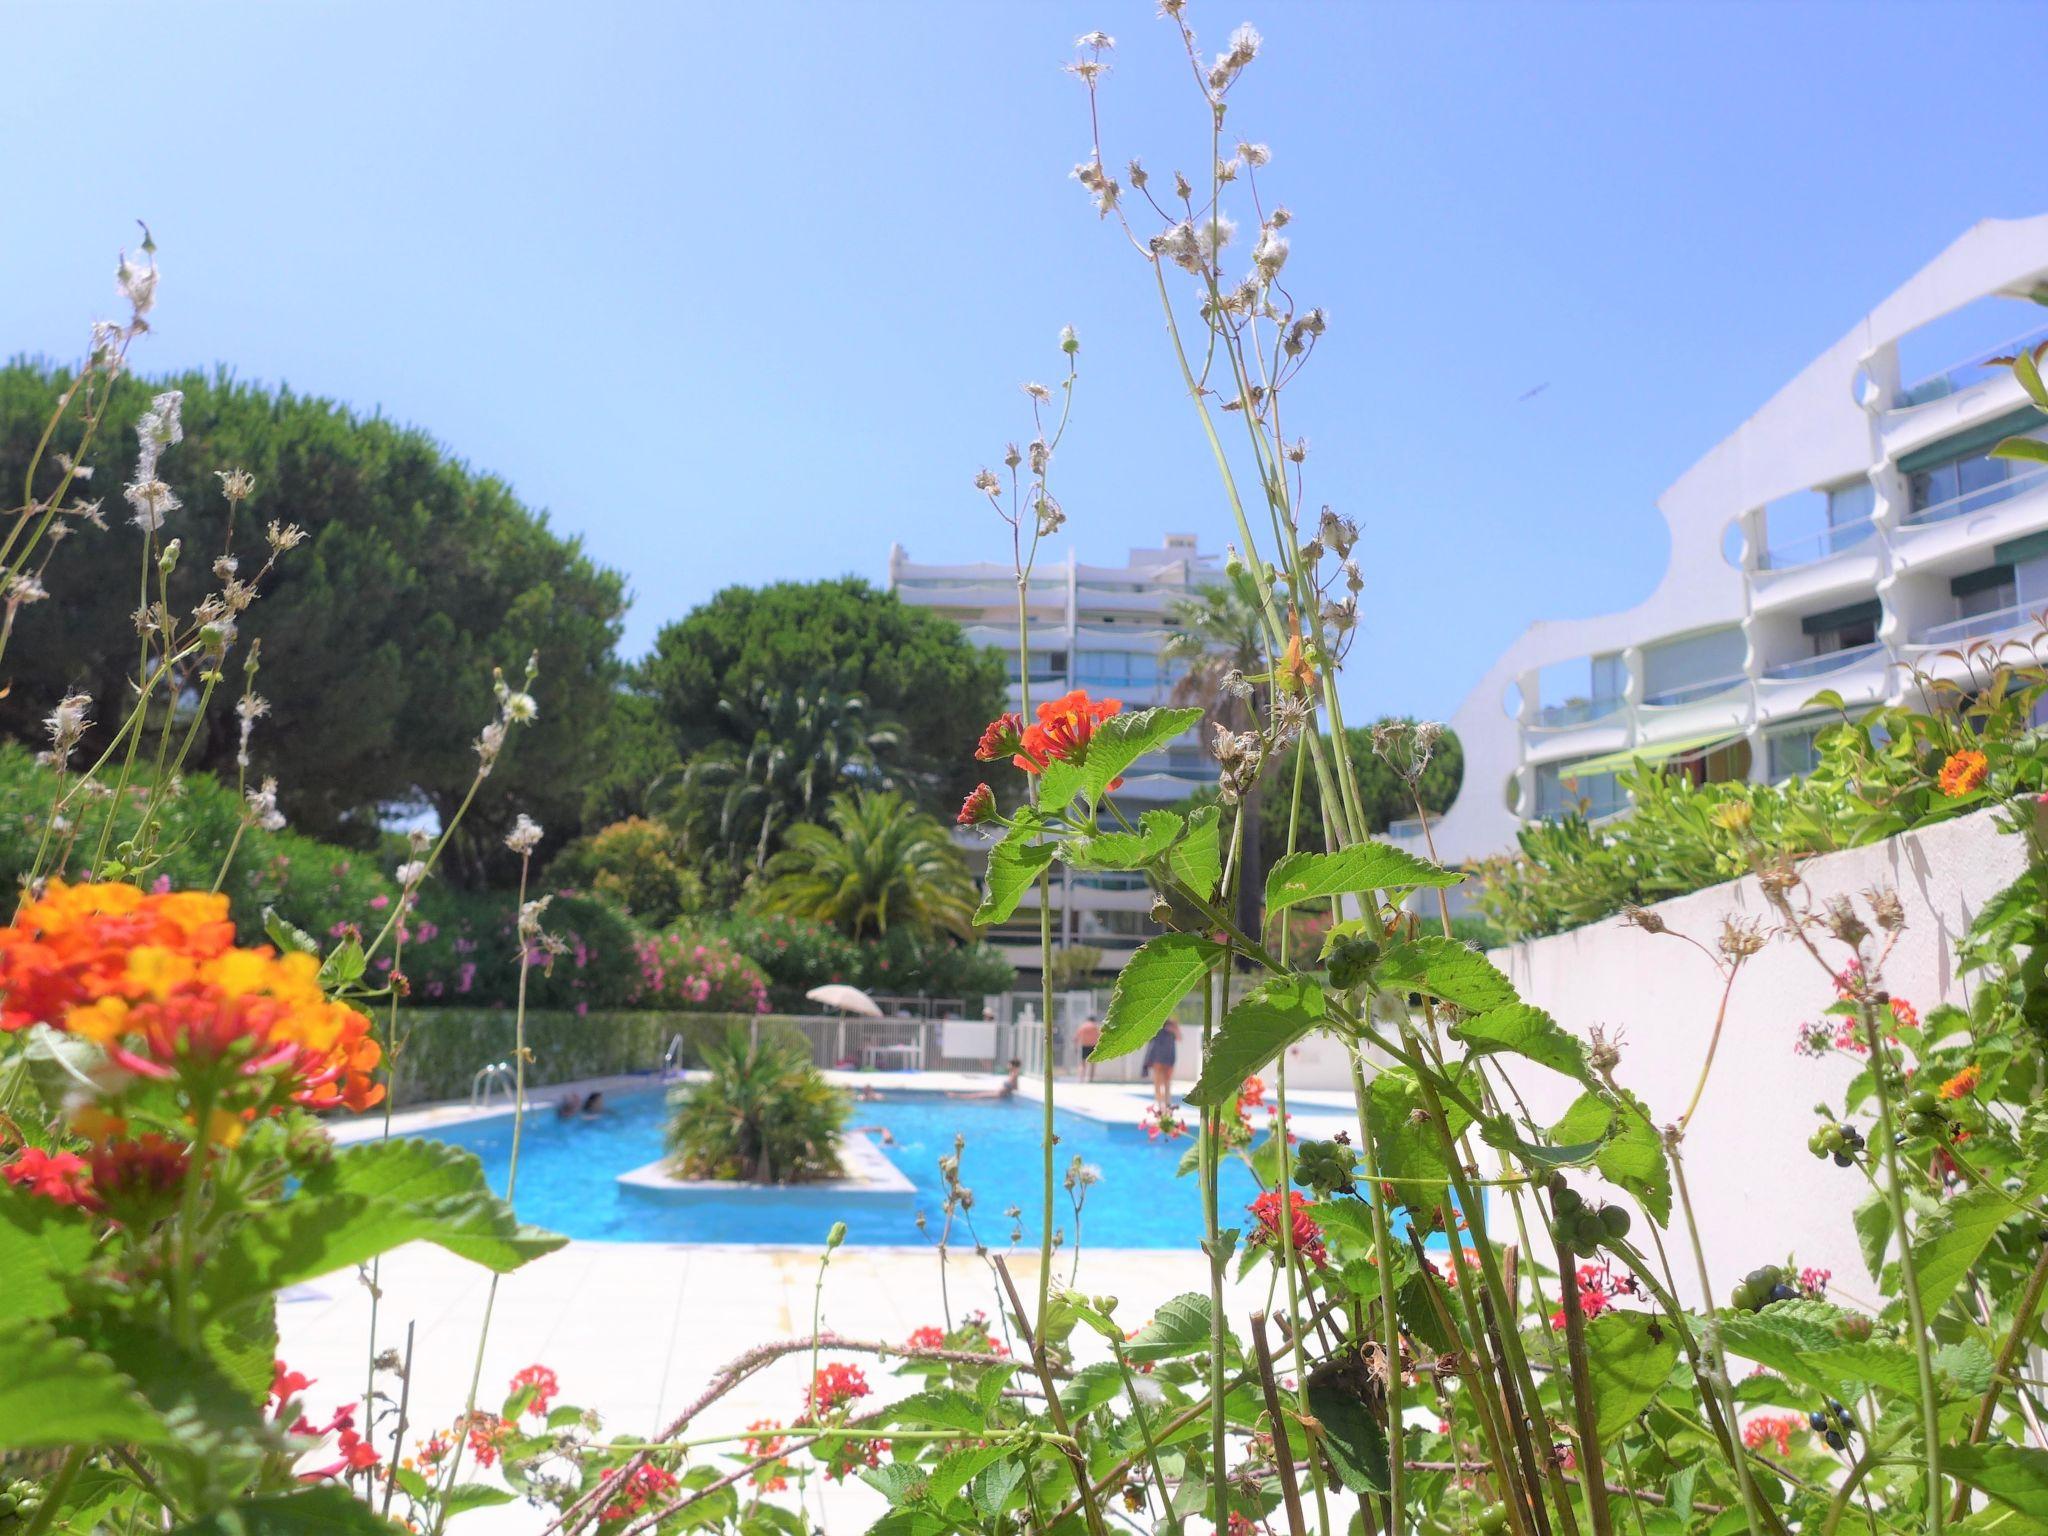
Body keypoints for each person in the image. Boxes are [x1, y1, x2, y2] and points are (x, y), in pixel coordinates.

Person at [1141, 1022, 1179, 1114]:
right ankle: (1159, 1103)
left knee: (1167, 1081)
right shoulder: (1156, 1022)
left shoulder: (1171, 1024)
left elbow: (1178, 1037)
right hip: (1158, 1056)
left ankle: (1166, 1103)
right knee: (1158, 1081)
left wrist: (1174, 1029)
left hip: (1168, 1056)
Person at [951, 1059, 1023, 1101]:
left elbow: (1013, 1086)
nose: (1007, 1066)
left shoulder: (1014, 1074)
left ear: (1013, 1066)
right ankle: (957, 1095)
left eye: (1009, 1064)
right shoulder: (1012, 1074)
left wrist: (1007, 1091)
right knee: (978, 1094)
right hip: (999, 1092)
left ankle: (957, 1096)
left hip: (999, 1094)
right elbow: (1015, 1087)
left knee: (977, 1095)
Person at [1075, 1015, 1101, 1082]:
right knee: (1093, 1063)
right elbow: (1099, 1036)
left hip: (1084, 1046)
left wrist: (1076, 1046)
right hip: (1093, 1046)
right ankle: (1091, 1079)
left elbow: (1076, 1037)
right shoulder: (1095, 1026)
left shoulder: (1083, 1026)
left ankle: (1081, 1078)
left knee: (1083, 1064)